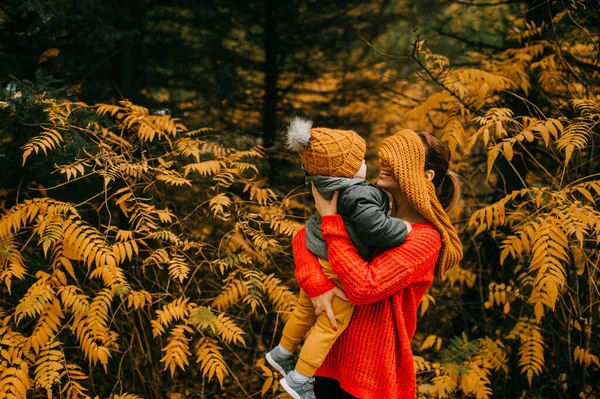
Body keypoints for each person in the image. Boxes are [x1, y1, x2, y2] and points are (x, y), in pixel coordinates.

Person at [293, 129, 463, 398]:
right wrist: (317, 285)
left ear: (426, 176)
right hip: (328, 357)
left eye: (396, 158)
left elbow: (364, 286)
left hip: (368, 374)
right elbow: (303, 237)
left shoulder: (426, 239)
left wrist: (331, 221)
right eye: (384, 155)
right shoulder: (373, 212)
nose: (384, 162)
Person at [265, 118, 412, 399]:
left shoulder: (324, 185)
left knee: (304, 310)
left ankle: (282, 352)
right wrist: (401, 229)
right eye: (360, 160)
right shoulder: (359, 193)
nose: (367, 165)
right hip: (334, 269)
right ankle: (299, 378)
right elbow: (376, 229)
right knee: (331, 323)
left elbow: (306, 232)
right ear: (345, 168)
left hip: (320, 257)